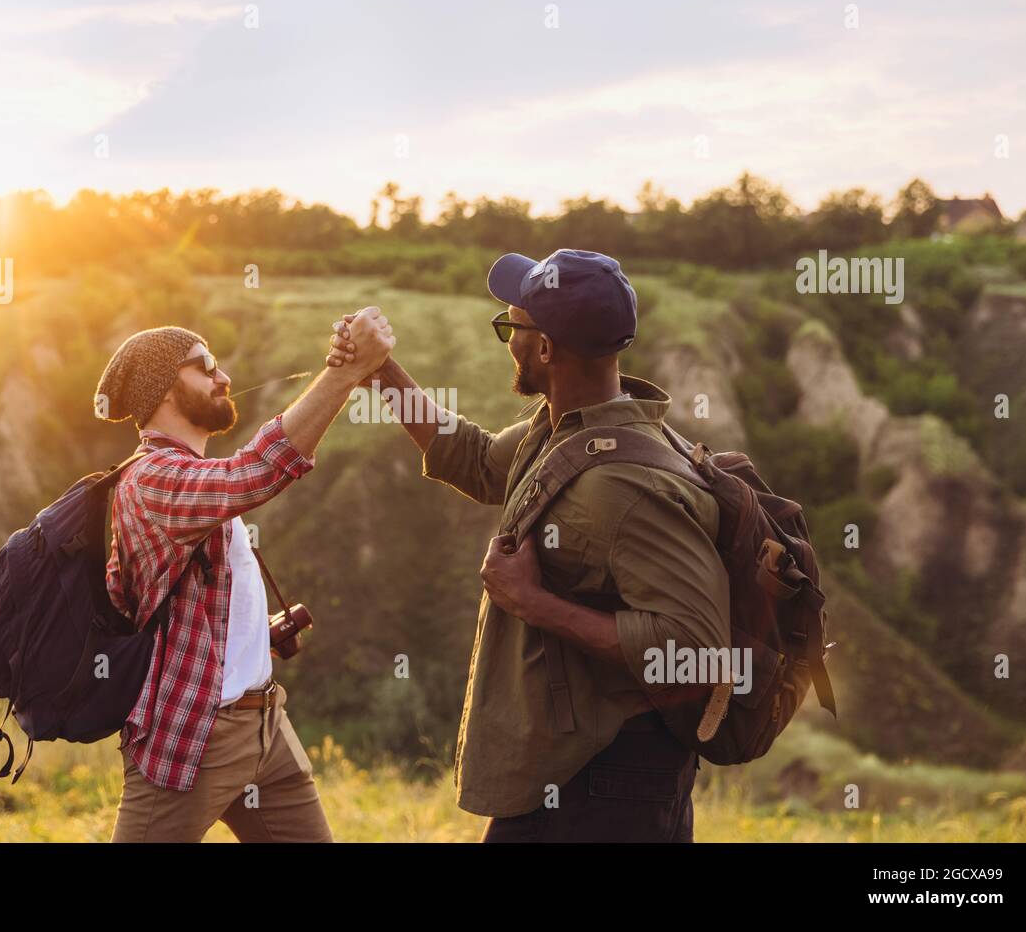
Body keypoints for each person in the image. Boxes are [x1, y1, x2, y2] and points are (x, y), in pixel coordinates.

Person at [326, 250, 730, 842]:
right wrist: (383, 372)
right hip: (578, 770)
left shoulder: (626, 484)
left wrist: (532, 602)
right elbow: (475, 459)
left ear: (545, 349)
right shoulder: (566, 429)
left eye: (512, 327)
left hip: (610, 781)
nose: (507, 340)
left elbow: (694, 647)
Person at [97, 309, 394, 842]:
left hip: (264, 726)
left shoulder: (191, 475)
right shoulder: (152, 479)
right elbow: (256, 472)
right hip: (194, 732)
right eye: (204, 365)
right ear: (163, 390)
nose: (224, 376)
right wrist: (346, 373)